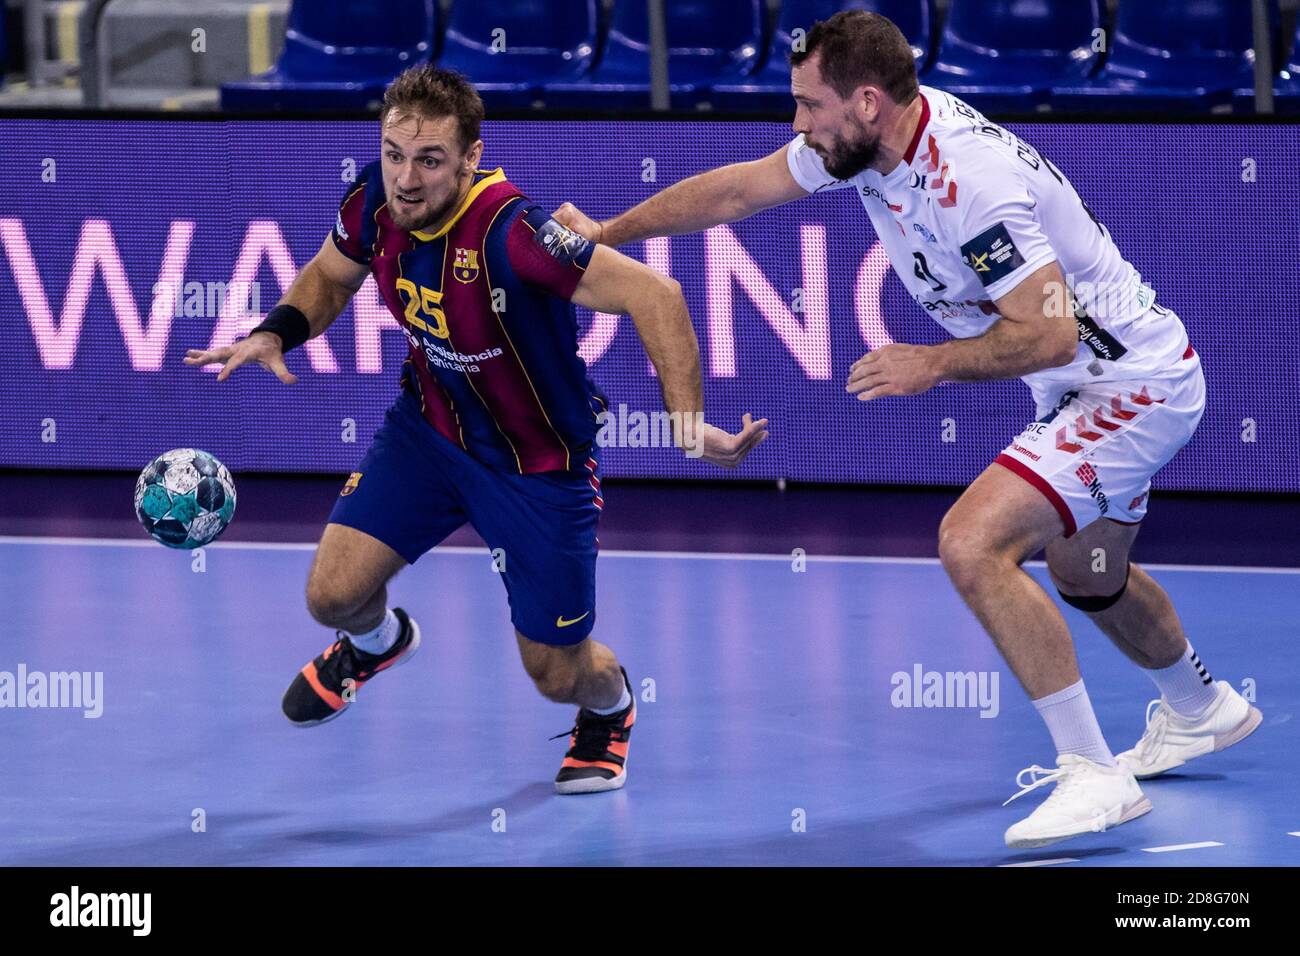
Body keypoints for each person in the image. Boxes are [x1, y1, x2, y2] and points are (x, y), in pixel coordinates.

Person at [552, 11, 1260, 845]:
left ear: (865, 103)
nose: (797, 125)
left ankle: (1092, 773)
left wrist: (930, 362)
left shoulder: (972, 185)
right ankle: (1200, 706)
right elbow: (740, 189)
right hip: (1086, 386)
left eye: (809, 107)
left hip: (1125, 386)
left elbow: (1051, 331)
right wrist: (606, 233)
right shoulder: (868, 146)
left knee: (971, 543)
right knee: (1085, 571)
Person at [185, 65, 768, 795]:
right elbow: (332, 277)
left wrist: (688, 428)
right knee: (331, 596)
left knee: (556, 673)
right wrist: (277, 331)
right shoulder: (374, 201)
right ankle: (376, 642)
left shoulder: (515, 233)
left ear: (469, 158)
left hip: (537, 468)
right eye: (395, 154)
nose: (405, 178)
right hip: (428, 436)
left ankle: (612, 710)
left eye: (429, 160)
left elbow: (657, 295)